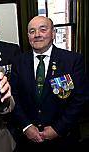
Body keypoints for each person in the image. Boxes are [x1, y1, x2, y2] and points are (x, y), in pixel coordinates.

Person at [10, 16, 89, 152]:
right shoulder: (18, 62)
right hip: (28, 140)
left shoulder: (72, 60)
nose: (37, 35)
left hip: (64, 139)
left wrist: (58, 129)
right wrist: (26, 126)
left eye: (43, 29)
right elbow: (13, 97)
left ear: (53, 33)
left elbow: (80, 99)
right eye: (32, 31)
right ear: (28, 35)